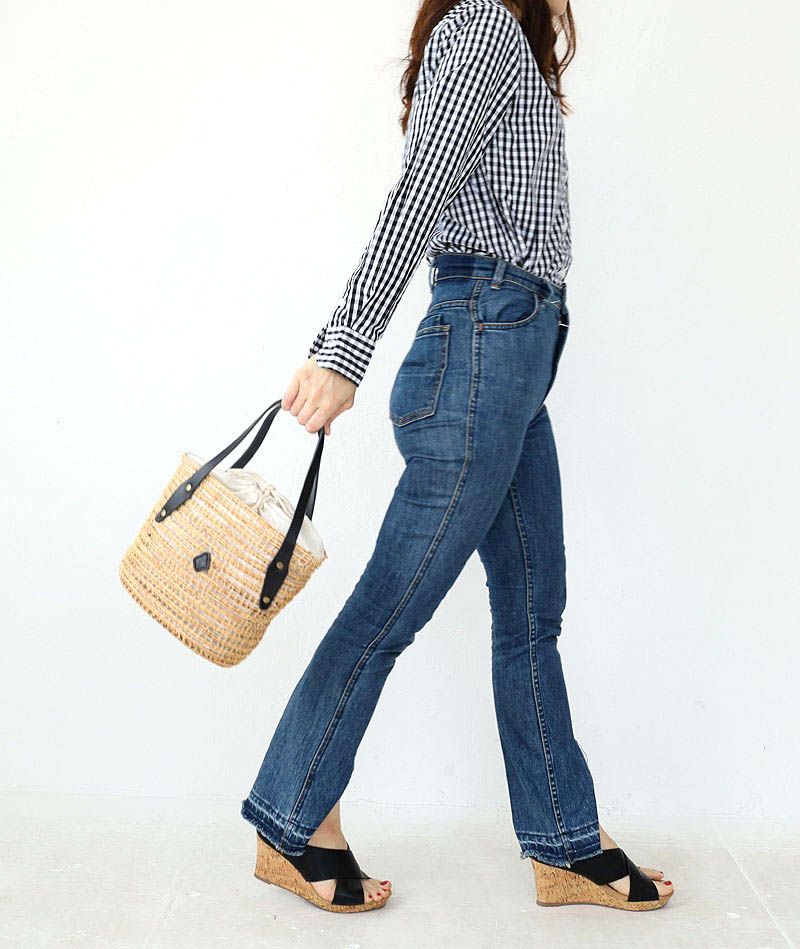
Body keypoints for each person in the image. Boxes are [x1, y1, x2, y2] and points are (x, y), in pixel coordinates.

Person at [241, 0, 674, 913]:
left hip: (512, 359)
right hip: (481, 351)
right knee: (392, 607)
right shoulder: (483, 24)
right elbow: (420, 191)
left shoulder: (506, 41)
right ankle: (293, 816)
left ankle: (563, 840)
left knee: (532, 612)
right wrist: (344, 348)